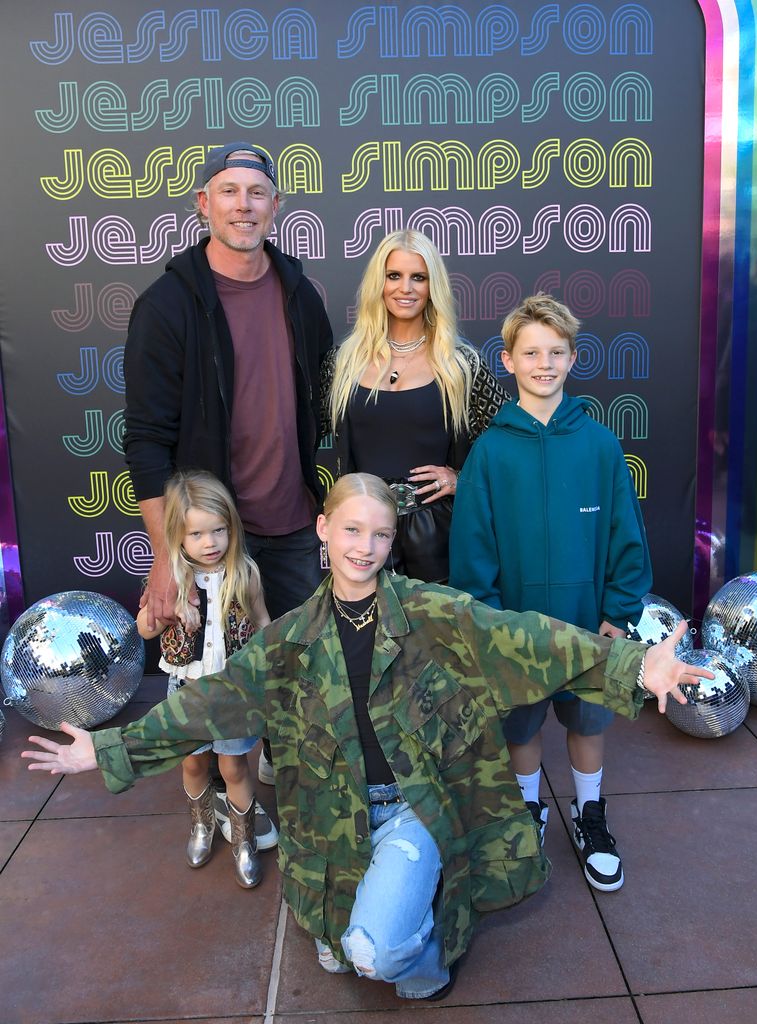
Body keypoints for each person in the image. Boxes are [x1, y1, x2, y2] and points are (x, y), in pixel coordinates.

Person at [23, 474, 711, 1001]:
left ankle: (431, 953)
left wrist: (634, 664)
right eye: (351, 531)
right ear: (323, 529)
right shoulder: (289, 641)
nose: (364, 548)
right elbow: (208, 703)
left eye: (379, 535)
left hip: (414, 807)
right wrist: (104, 749)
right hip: (329, 819)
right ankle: (379, 924)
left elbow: (532, 639)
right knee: (328, 934)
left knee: (376, 956)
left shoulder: (432, 614)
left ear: (393, 540)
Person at [124, 140, 332, 784]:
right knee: (209, 678)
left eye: (257, 192)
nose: (244, 205)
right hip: (213, 540)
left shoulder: (302, 296)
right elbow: (147, 440)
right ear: (203, 203)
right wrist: (167, 559)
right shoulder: (167, 306)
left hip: (293, 524)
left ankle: (276, 766)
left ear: (276, 205)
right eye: (230, 191)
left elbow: (330, 403)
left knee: (295, 664)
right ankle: (214, 797)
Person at [449, 293, 653, 893]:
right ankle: (526, 814)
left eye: (556, 352)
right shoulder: (490, 451)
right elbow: (473, 549)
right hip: (515, 630)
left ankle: (590, 815)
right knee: (520, 727)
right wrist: (486, 622)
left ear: (571, 358)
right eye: (531, 352)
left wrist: (619, 611)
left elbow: (625, 534)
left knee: (588, 722)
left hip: (589, 623)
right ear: (508, 361)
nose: (544, 363)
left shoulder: (599, 445)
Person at [321, 229, 510, 583]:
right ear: (379, 282)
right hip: (363, 537)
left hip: (439, 536)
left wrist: (463, 479)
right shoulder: (342, 363)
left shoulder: (460, 364)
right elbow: (301, 434)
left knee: (440, 636)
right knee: (366, 634)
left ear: (432, 286)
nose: (405, 288)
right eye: (394, 276)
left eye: (418, 278)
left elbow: (510, 441)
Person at [136, 470, 277, 888]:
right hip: (188, 689)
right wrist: (170, 609)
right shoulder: (170, 580)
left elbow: (263, 621)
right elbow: (143, 629)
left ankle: (245, 841)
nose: (210, 543)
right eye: (197, 533)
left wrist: (270, 665)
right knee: (194, 760)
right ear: (176, 535)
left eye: (219, 530)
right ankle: (201, 826)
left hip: (234, 692)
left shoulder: (245, 573)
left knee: (234, 767)